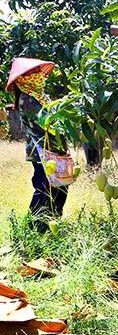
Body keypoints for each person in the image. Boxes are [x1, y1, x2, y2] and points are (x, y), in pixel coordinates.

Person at [5, 58, 70, 233]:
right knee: (44, 189)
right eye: (32, 73)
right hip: (43, 153)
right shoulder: (27, 100)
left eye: (37, 72)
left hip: (54, 151)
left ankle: (52, 225)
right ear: (22, 79)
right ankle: (35, 230)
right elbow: (46, 125)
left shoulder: (40, 97)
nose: (38, 76)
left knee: (60, 188)